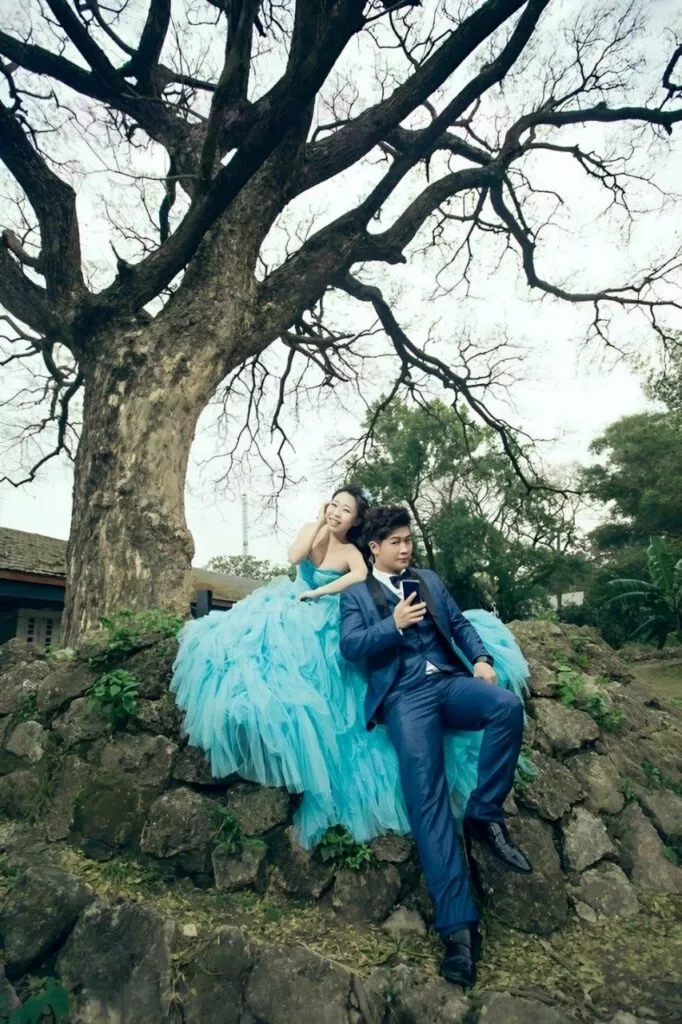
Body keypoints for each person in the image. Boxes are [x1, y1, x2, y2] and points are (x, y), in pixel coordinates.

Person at [340, 504, 532, 989]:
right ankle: (459, 930)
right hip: (404, 697)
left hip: (448, 681)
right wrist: (393, 623)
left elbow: (460, 624)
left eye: (409, 540)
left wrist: (482, 659)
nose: (406, 549)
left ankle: (484, 814)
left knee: (506, 708)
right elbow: (351, 646)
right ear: (374, 548)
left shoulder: (428, 579)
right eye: (396, 542)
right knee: (427, 800)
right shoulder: (356, 594)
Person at [171, 485, 378, 845]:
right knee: (246, 646)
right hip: (290, 601)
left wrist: (320, 592)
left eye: (345, 510)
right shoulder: (312, 529)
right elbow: (295, 555)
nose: (336, 512)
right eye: (333, 504)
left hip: (322, 613)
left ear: (356, 520)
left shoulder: (350, 552)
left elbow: (360, 576)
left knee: (316, 677)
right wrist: (319, 523)